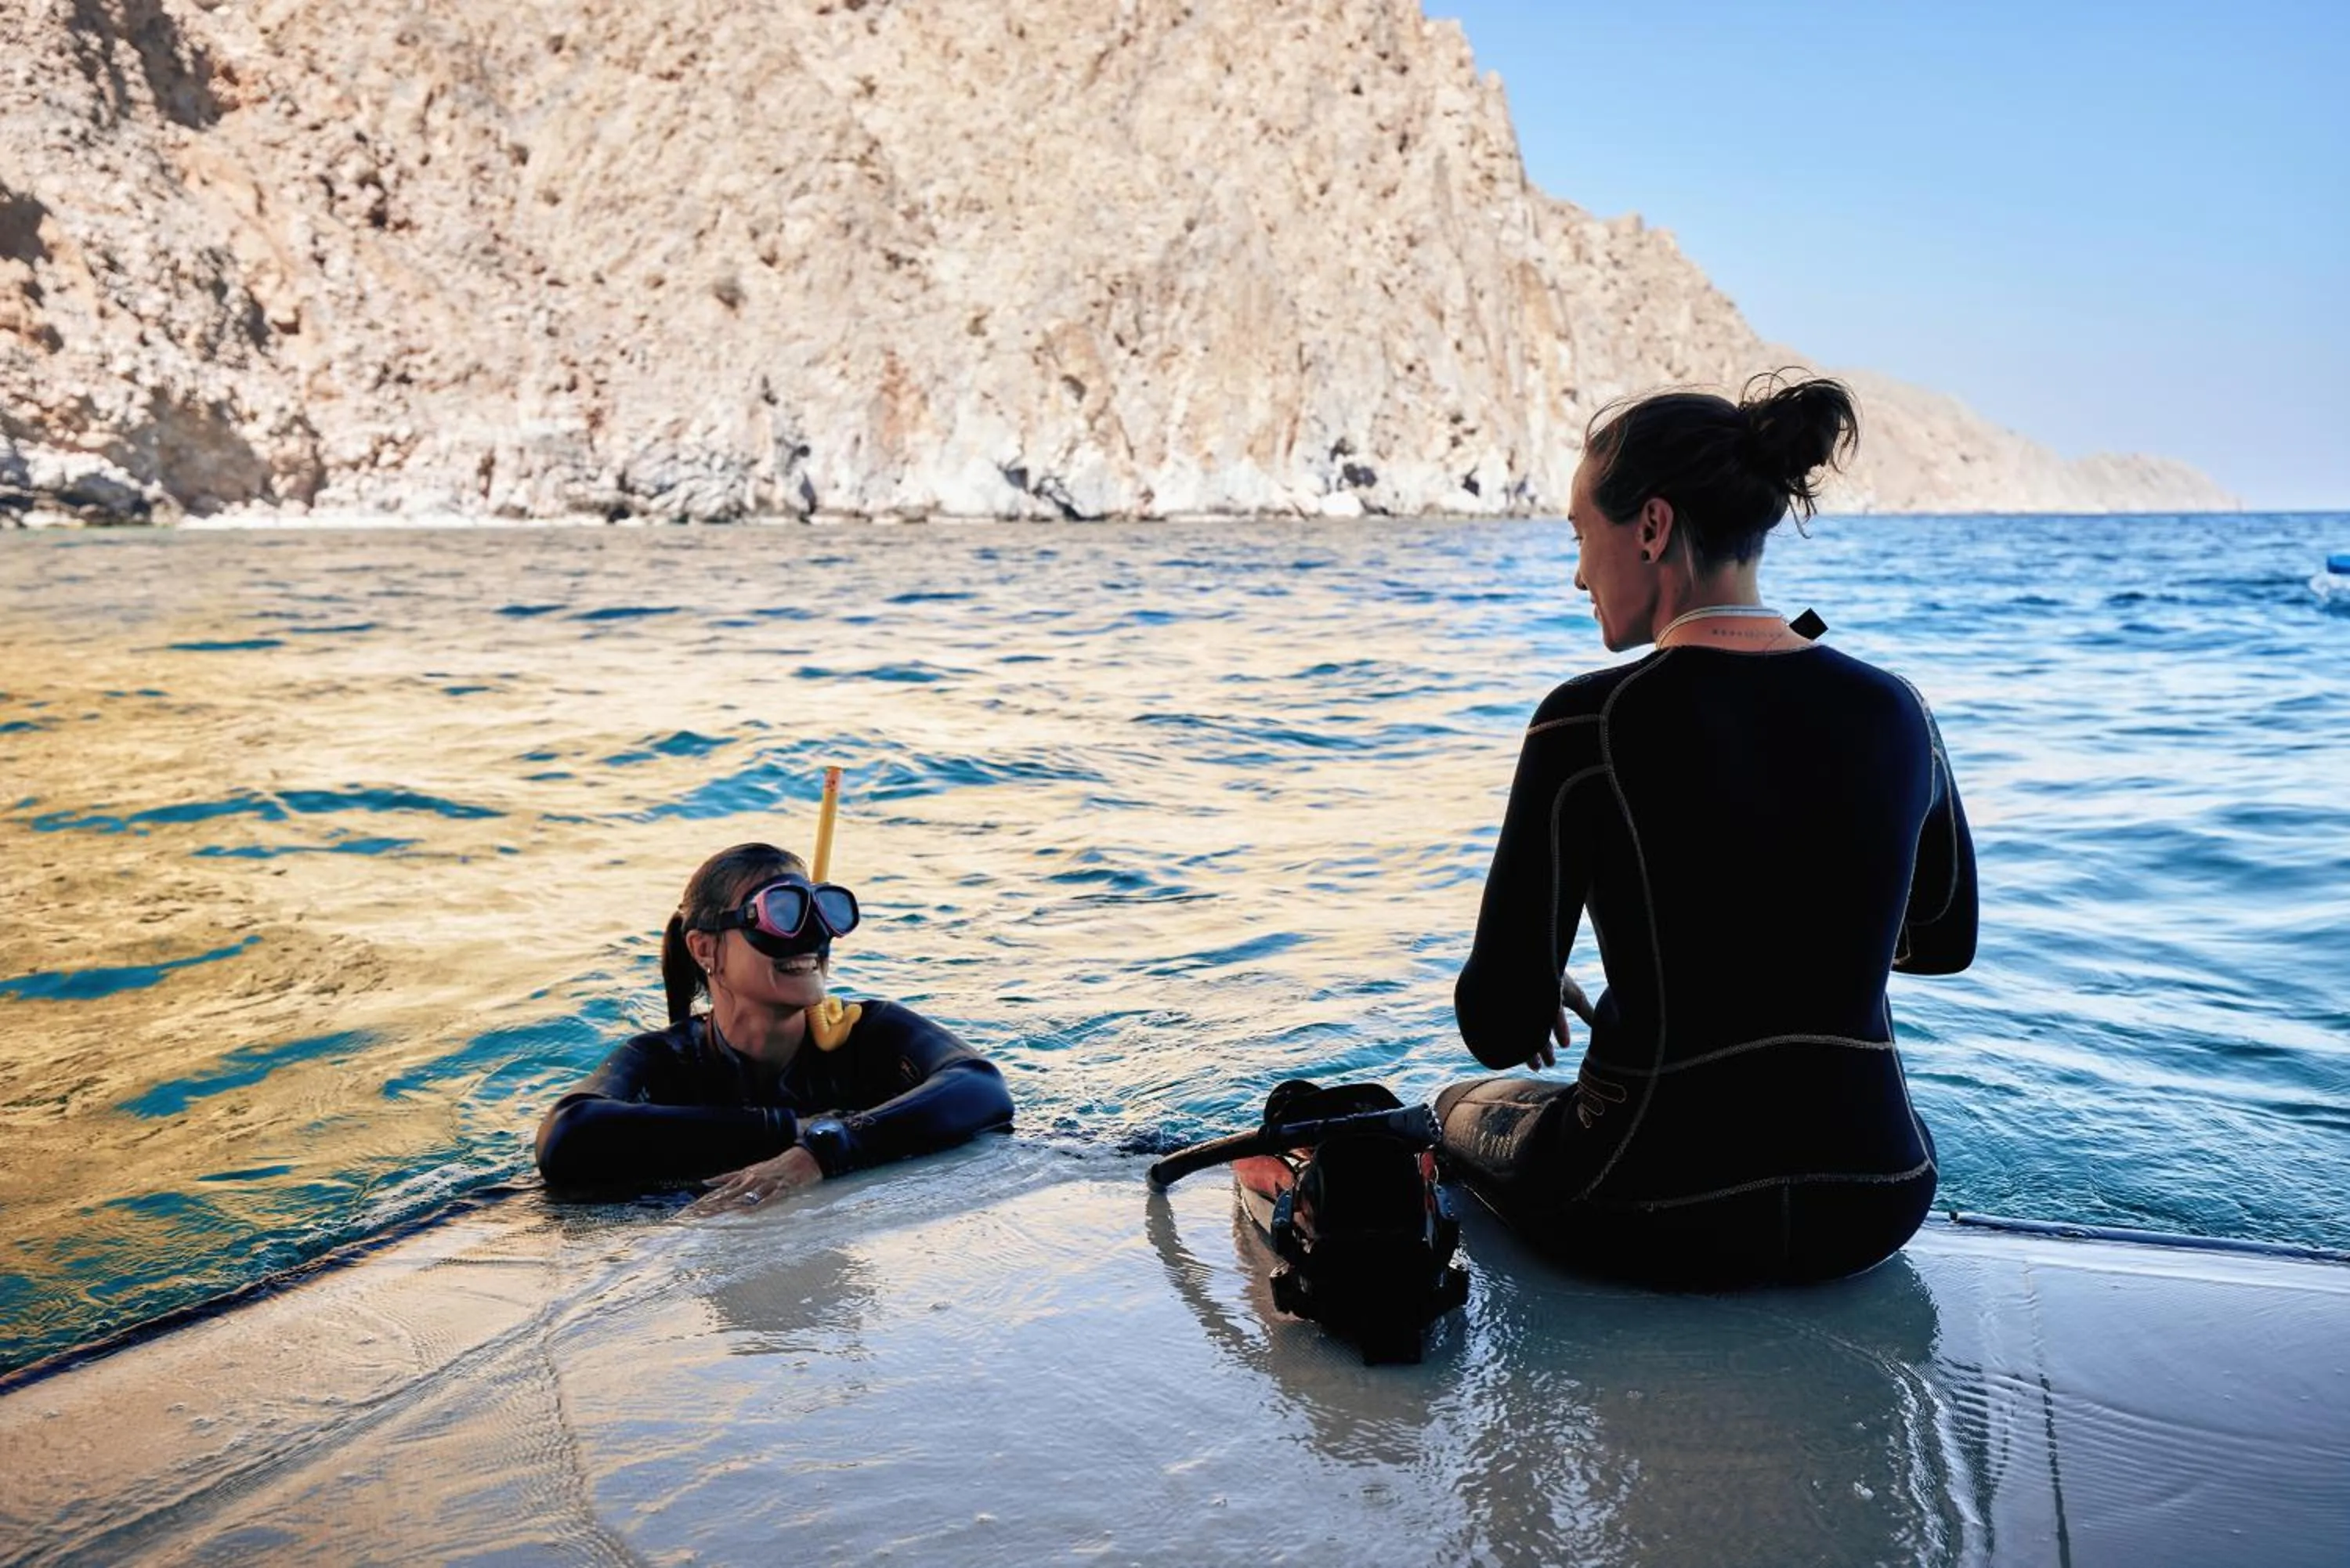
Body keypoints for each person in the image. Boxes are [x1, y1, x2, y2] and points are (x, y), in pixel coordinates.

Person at [1441, 374, 1976, 1289]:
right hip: (1877, 1193)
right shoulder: (1898, 708)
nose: (1577, 573)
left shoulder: (1584, 724)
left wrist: (1534, 986)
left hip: (1645, 1206)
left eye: (1581, 535)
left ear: (1650, 528)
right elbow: (1942, 943)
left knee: (1458, 1105)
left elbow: (1493, 1027)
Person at [534, 842, 1013, 1212]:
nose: (811, 936)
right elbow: (569, 1134)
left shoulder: (865, 1034)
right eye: (782, 913)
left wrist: (825, 1149)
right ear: (704, 949)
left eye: (821, 910)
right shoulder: (666, 1060)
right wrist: (787, 1128)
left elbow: (980, 1088)